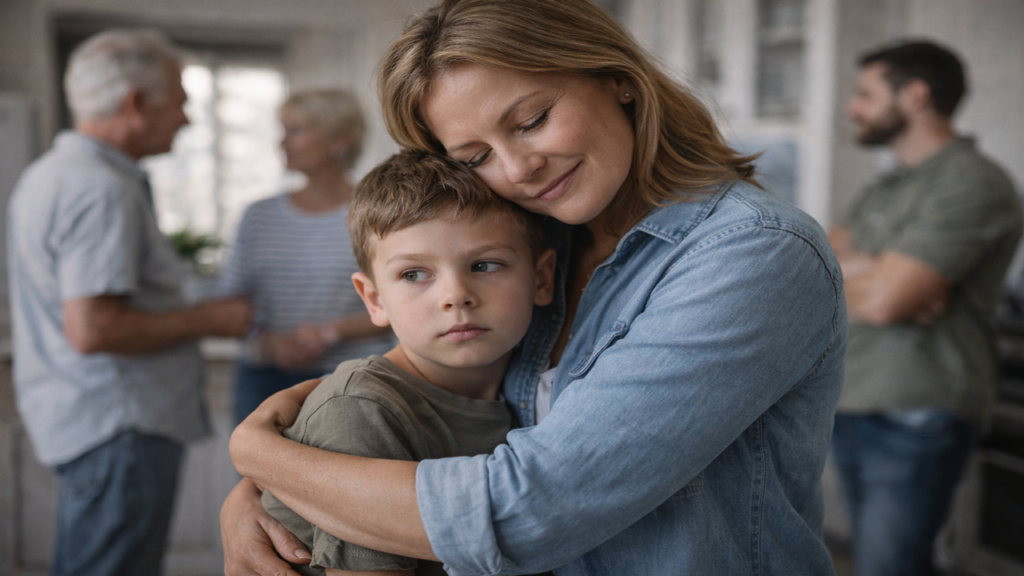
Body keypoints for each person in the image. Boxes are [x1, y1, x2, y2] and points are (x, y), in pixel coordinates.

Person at [221, 1, 848, 575]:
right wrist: (257, 493)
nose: (518, 169)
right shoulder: (536, 242)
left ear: (617, 77)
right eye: (475, 158)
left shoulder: (752, 253)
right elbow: (419, 379)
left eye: (532, 120)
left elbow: (526, 511)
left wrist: (260, 455)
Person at [6, 29, 252, 576]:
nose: (186, 119)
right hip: (121, 426)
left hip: (90, 419)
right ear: (136, 103)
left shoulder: (50, 174)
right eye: (180, 102)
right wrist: (210, 319)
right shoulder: (99, 187)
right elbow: (95, 328)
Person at [261, 149, 556, 575]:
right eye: (414, 274)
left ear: (542, 279)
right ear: (374, 300)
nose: (455, 295)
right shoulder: (361, 409)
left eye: (485, 264)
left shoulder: (536, 387)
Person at [827, 41, 1022, 576]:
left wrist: (876, 278)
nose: (852, 107)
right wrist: (880, 271)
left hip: (915, 411)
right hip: (855, 396)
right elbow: (816, 258)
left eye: (865, 94)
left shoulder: (973, 182)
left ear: (915, 96)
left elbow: (885, 302)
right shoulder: (886, 185)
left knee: (889, 568)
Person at [218, 88, 393, 425]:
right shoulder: (259, 216)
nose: (282, 142)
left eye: (295, 131)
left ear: (340, 140)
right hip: (263, 379)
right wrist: (269, 341)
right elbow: (232, 300)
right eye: (283, 130)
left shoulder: (377, 213)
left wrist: (331, 332)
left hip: (351, 379)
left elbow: (400, 302)